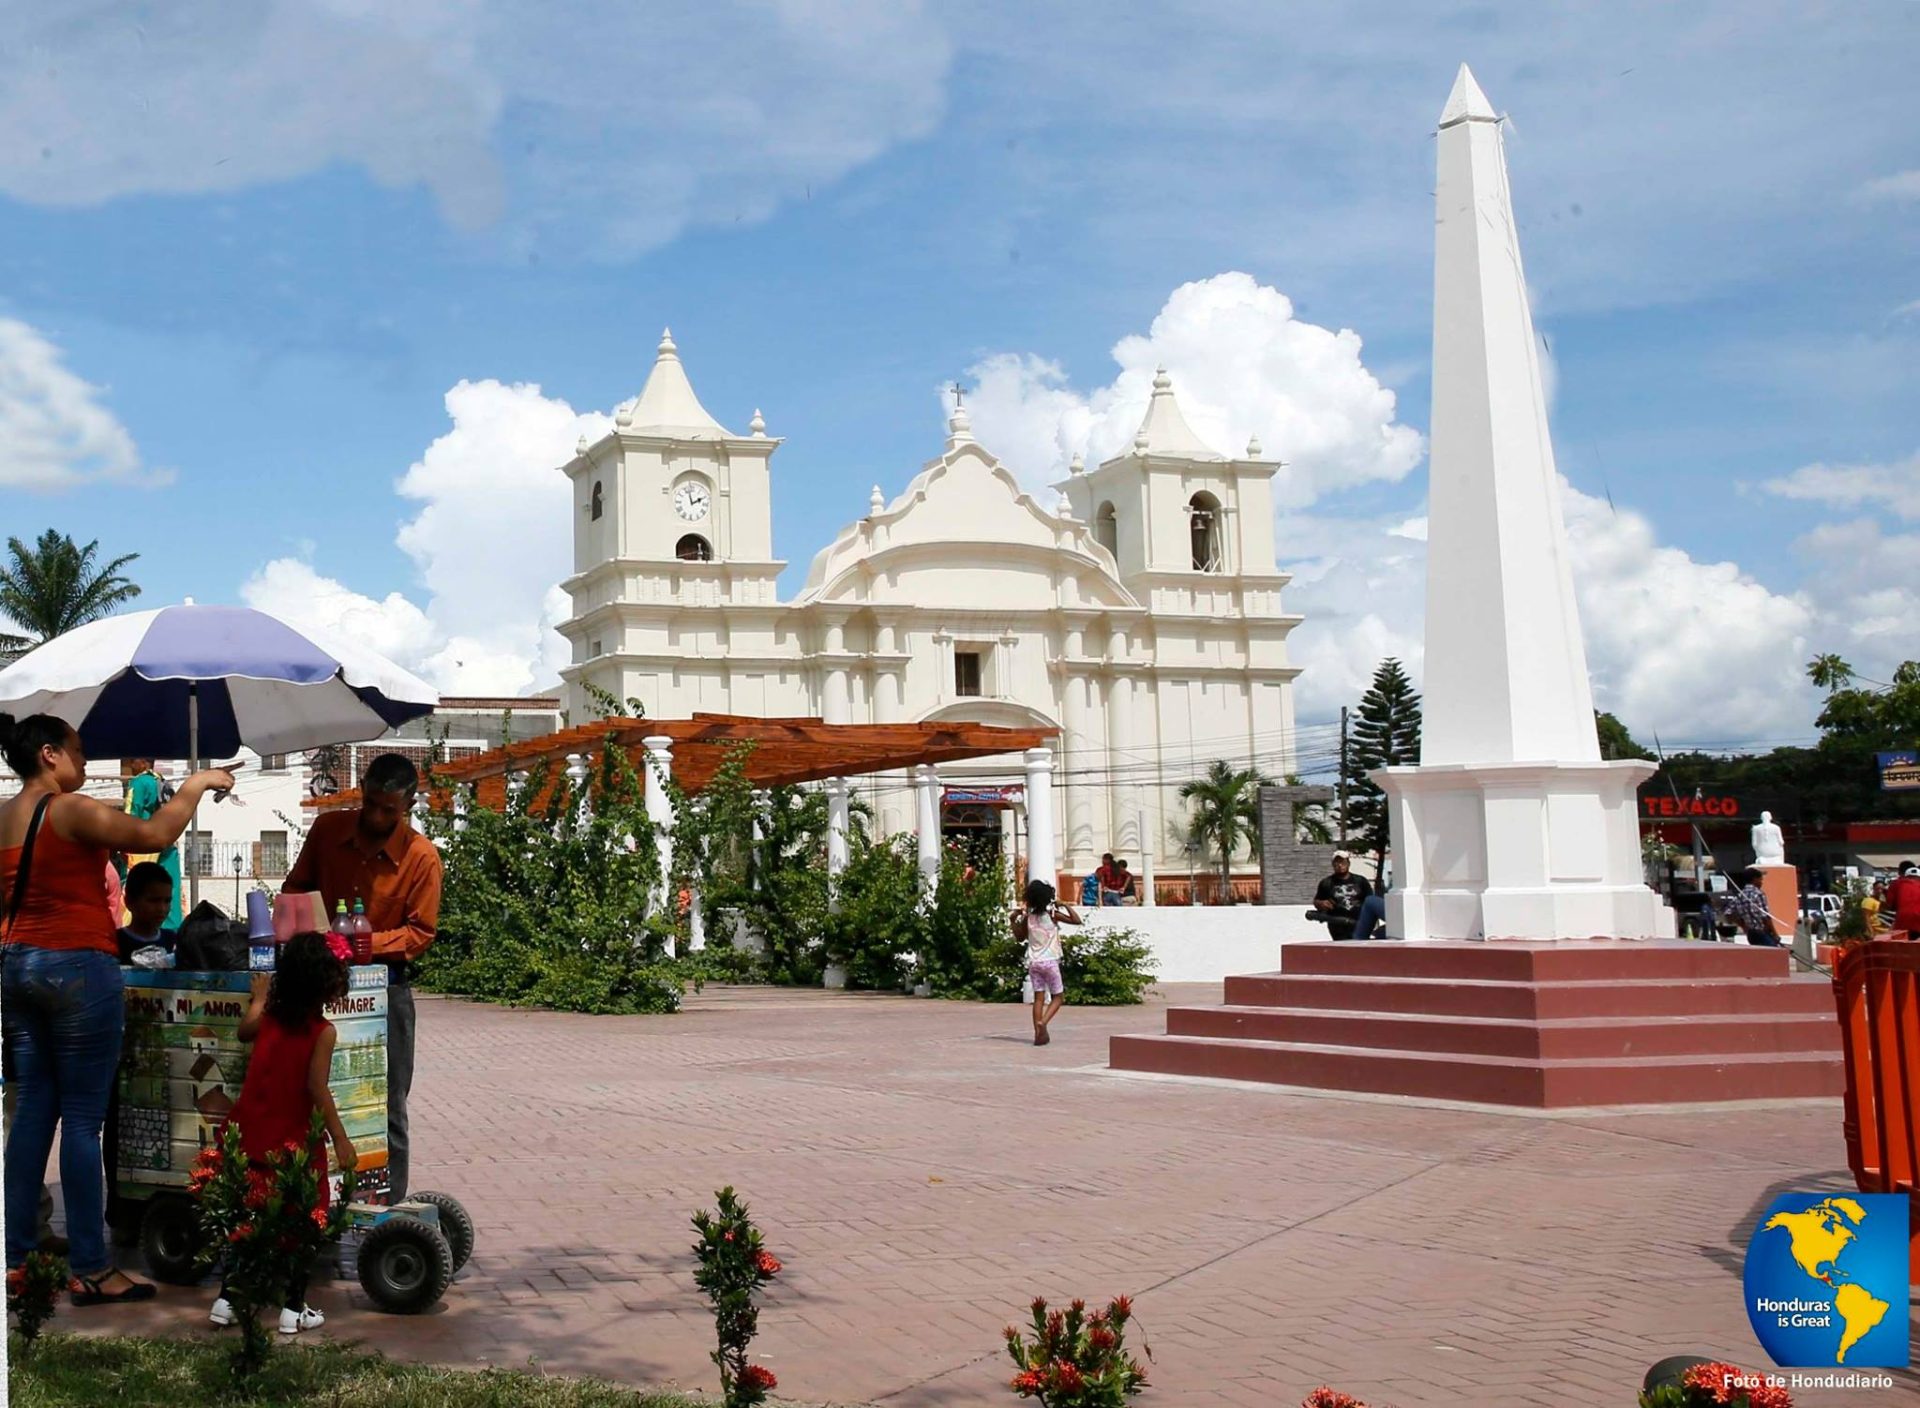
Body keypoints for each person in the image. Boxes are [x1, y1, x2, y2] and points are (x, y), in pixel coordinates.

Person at [1, 712, 234, 1305]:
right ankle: (90, 1267)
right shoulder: (68, 810)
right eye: (77, 753)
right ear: (49, 754)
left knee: (32, 1114)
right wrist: (196, 785)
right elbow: (155, 837)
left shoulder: (2, 816)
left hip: (16, 969)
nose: (84, 763)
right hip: (77, 969)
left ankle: (18, 1258)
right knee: (82, 1121)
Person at [283, 753, 441, 1202]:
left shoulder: (422, 857)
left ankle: (387, 1208)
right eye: (370, 804)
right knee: (312, 1089)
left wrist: (366, 946)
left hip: (385, 986)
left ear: (408, 804)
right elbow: (295, 888)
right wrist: (310, 934)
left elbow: (420, 932)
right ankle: (311, 1198)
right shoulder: (328, 831)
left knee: (387, 1102)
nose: (375, 816)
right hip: (320, 982)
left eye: (387, 810)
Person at [209, 933, 356, 1336]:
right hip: (291, 1142)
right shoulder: (322, 1031)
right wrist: (341, 1138)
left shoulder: (271, 1017)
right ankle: (293, 1306)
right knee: (307, 1218)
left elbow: (244, 1031)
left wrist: (259, 996)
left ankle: (227, 1299)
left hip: (250, 1133)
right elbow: (316, 1087)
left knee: (248, 1218)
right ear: (326, 984)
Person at [1015, 879, 1081, 1047]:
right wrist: (1064, 904)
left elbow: (1019, 938)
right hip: (1050, 962)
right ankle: (1043, 1023)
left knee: (1039, 998)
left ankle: (1039, 1035)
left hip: (1034, 963)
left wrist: (1012, 920)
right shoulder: (1052, 916)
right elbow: (1076, 920)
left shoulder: (1027, 919)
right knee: (1058, 997)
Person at [122, 759, 183, 930]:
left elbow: (131, 813)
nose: (130, 766)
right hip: (168, 846)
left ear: (141, 762)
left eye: (131, 762)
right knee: (171, 895)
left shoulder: (139, 782)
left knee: (138, 893)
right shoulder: (163, 783)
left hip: (143, 846)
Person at [116, 861, 177, 964]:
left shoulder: (173, 943)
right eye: (154, 901)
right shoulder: (115, 944)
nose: (162, 908)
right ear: (129, 901)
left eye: (167, 901)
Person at [1312, 851, 1373, 941]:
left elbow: (1370, 901)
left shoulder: (1360, 881)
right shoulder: (1326, 883)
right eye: (1337, 862)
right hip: (1337, 925)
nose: (1340, 865)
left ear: (1348, 863)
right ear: (1333, 865)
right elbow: (1317, 901)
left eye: (1343, 862)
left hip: (1358, 923)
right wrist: (1320, 904)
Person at [1719, 868, 1779, 946]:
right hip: (1762, 931)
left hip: (1751, 934)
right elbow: (1765, 917)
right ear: (1755, 879)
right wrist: (1775, 934)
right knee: (1773, 954)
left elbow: (1728, 912)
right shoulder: (1758, 894)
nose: (1761, 883)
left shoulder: (1740, 895)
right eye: (1760, 880)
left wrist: (1742, 925)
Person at [1885, 861, 1920, 937]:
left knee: (1902, 944)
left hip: (1902, 921)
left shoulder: (1895, 883)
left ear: (1899, 872)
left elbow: (1889, 905)